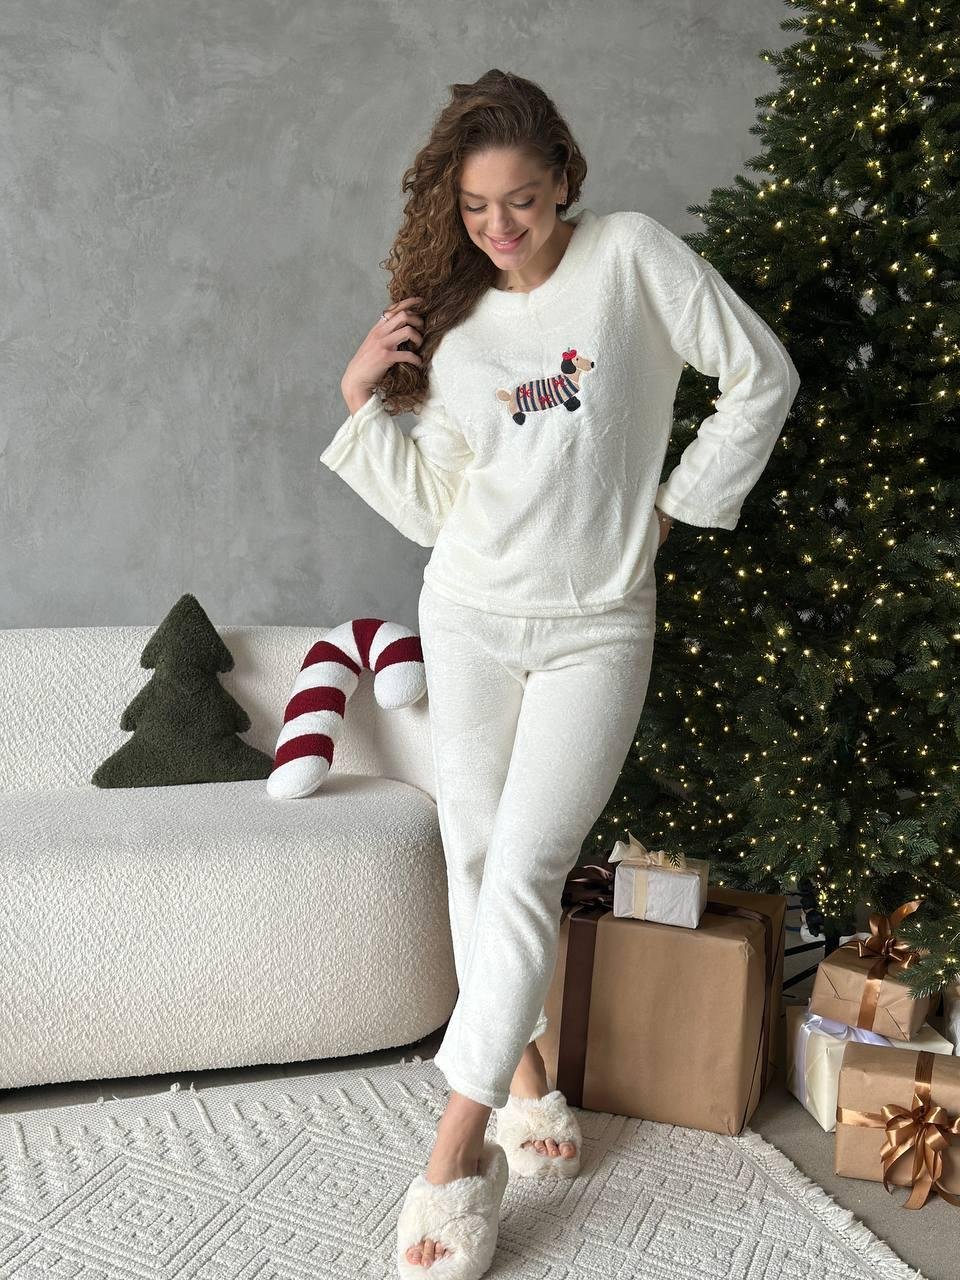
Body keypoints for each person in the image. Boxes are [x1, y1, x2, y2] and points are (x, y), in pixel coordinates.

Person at [320, 68, 801, 1279]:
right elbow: (437, 510)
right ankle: (530, 1082)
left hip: (596, 626)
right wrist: (359, 397)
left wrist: (676, 507)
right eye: (477, 206)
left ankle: (453, 1155)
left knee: (531, 861)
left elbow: (762, 372)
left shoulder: (631, 258)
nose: (500, 227)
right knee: (477, 855)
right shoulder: (459, 321)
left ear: (566, 181)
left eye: (523, 202)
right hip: (470, 614)